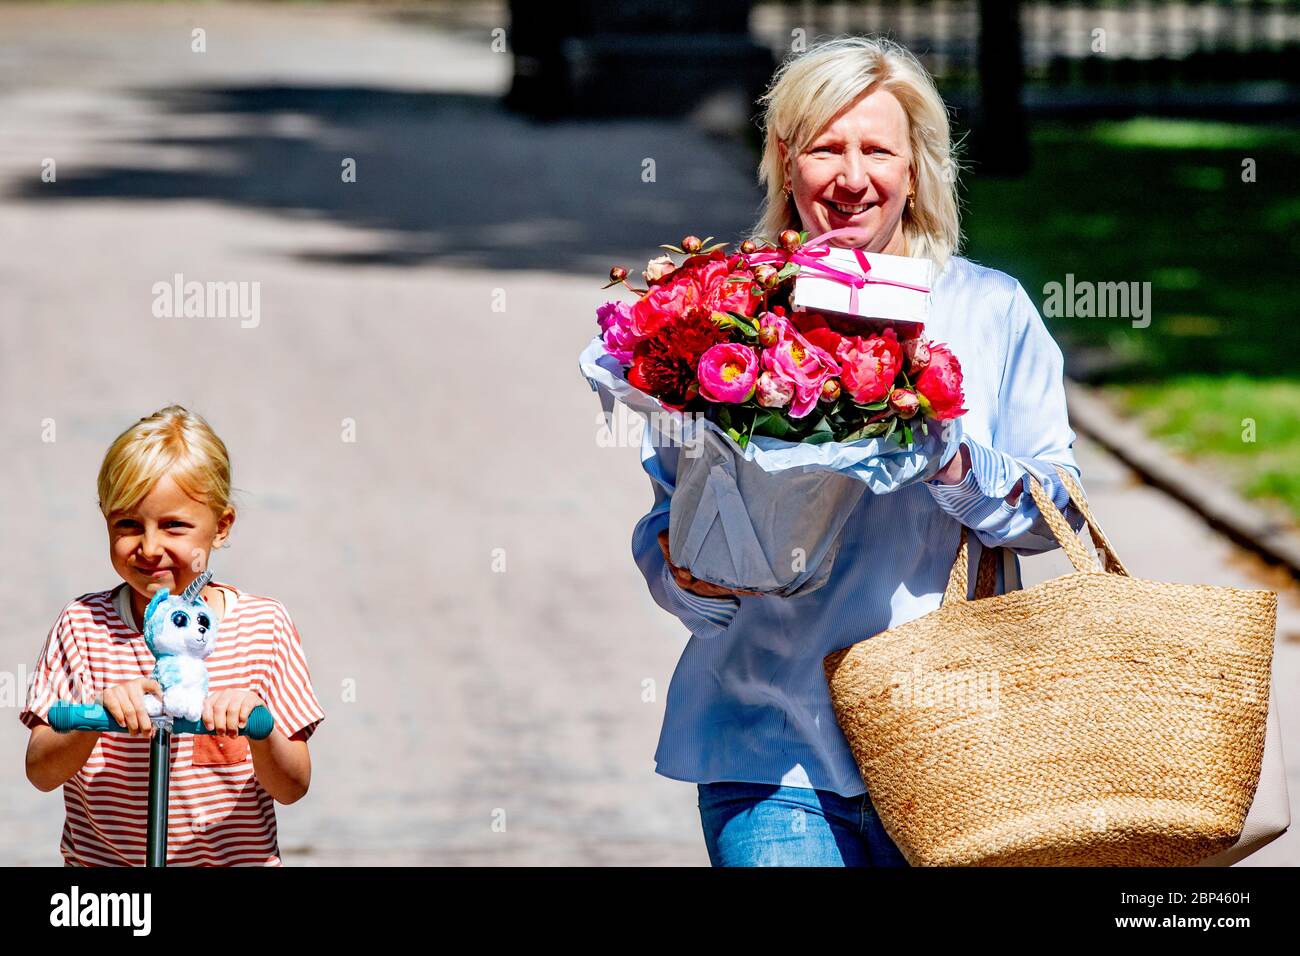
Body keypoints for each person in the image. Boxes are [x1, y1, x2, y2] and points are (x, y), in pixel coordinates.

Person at [632, 35, 1092, 866]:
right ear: (784, 159)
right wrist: (684, 574)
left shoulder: (989, 311)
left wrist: (951, 459)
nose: (851, 178)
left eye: (876, 149)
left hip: (952, 736)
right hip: (768, 738)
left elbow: (1055, 510)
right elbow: (669, 511)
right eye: (825, 149)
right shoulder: (722, 315)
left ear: (916, 166)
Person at [20, 404, 325, 866]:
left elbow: (293, 785)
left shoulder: (264, 627)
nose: (148, 548)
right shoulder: (83, 624)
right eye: (127, 524)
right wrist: (91, 715)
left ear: (221, 527)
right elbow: (41, 770)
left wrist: (258, 728)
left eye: (173, 526)